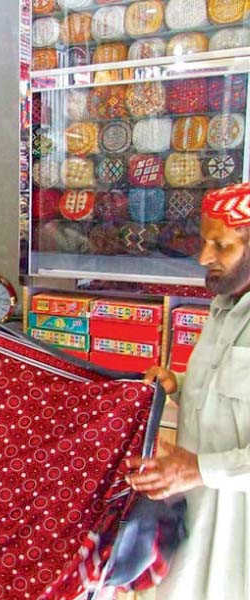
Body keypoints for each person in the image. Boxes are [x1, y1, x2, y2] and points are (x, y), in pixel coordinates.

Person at [126, 182, 250, 599]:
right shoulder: (224, 308)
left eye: (221, 245)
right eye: (204, 242)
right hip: (196, 512)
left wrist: (198, 469)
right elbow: (228, 395)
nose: (204, 258)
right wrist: (176, 388)